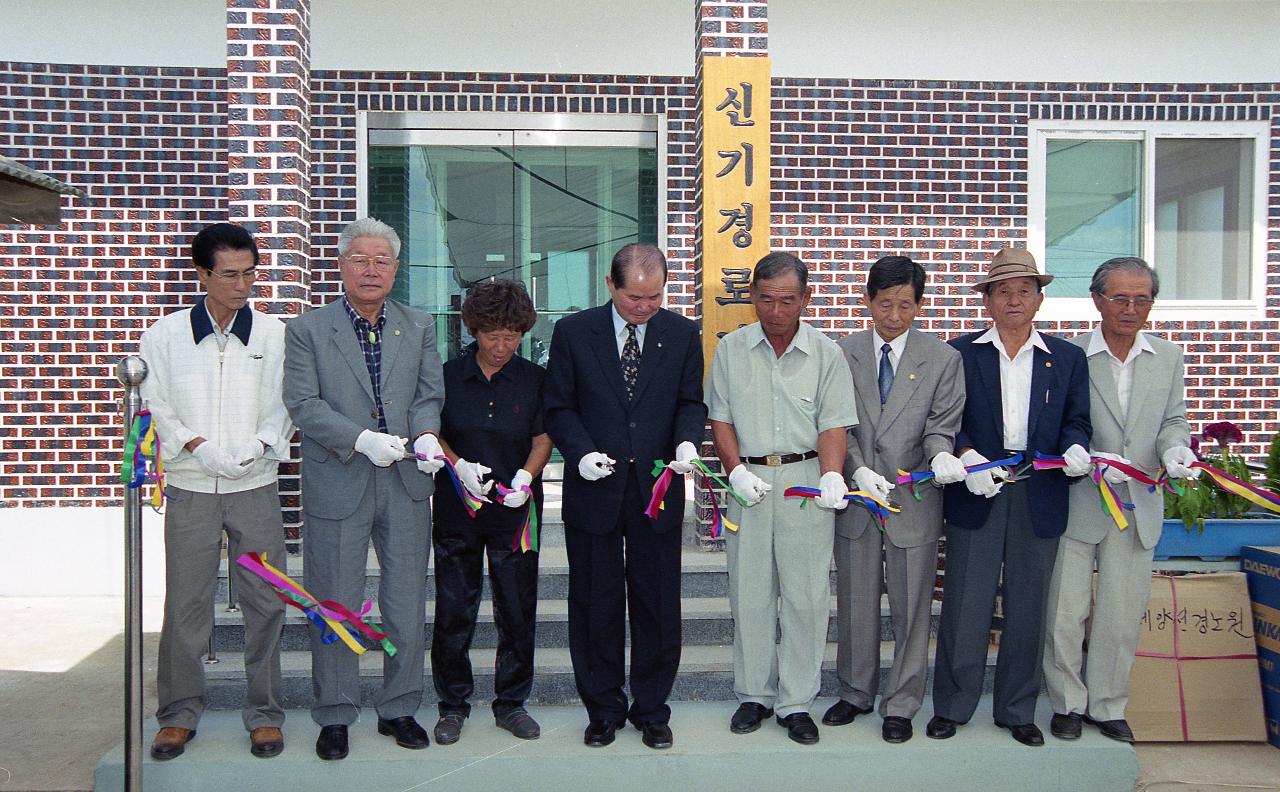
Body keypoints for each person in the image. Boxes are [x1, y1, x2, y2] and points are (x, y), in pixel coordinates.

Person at [282, 217, 446, 760]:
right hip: (339, 477)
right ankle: (335, 712)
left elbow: (428, 396)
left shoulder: (418, 325)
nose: (371, 270)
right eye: (360, 259)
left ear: (396, 269)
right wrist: (360, 439)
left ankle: (399, 706)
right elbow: (304, 405)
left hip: (404, 483)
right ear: (340, 265)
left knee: (404, 602)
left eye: (382, 261)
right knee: (335, 603)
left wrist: (425, 436)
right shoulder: (308, 329)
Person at [543, 243, 706, 750]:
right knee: (595, 600)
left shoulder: (681, 334)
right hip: (595, 487)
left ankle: (652, 708)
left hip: (655, 488)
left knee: (658, 600)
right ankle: (603, 708)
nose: (644, 307)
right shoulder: (574, 333)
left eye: (655, 297)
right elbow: (558, 408)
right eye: (635, 297)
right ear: (610, 286)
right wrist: (580, 452)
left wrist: (686, 439)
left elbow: (689, 401)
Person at [140, 223, 293, 760]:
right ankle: (178, 713)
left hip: (255, 485)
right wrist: (194, 444)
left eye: (250, 272)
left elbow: (286, 400)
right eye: (229, 274)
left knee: (266, 601)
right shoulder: (163, 336)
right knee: (186, 604)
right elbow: (155, 402)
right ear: (201, 273)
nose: (242, 284)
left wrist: (261, 442)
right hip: (190, 486)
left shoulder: (274, 335)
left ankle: (266, 714)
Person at [927, 247, 1092, 747]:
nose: (1014, 300)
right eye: (1004, 291)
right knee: (964, 602)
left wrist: (1076, 447)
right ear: (988, 300)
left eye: (1024, 290)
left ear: (1040, 299)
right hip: (978, 489)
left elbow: (1076, 420)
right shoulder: (958, 353)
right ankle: (952, 707)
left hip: (1039, 489)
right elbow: (943, 420)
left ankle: (1017, 709)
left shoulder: (1066, 357)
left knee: (1028, 604)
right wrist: (965, 454)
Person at [1043, 257, 1198, 743]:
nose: (1131, 309)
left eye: (1142, 299)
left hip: (1140, 501)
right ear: (1097, 300)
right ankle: (1066, 703)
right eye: (1120, 298)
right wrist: (1080, 454)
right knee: (1065, 612)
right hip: (1081, 498)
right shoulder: (1070, 356)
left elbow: (1173, 419)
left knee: (1120, 614)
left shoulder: (1169, 357)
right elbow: (1059, 423)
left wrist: (1177, 448)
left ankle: (1108, 705)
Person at [706, 251, 857, 746]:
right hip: (748, 484)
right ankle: (754, 694)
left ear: (805, 299)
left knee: (806, 598)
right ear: (752, 297)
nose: (775, 310)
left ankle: (796, 702)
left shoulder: (826, 353)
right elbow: (720, 418)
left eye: (787, 300)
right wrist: (734, 471)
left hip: (805, 484)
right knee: (749, 594)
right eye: (766, 299)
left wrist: (833, 475)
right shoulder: (731, 350)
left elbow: (834, 423)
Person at [825, 255, 966, 744]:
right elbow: (837, 422)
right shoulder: (841, 353)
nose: (894, 316)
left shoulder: (942, 358)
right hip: (859, 498)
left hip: (914, 496)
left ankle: (902, 702)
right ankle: (855, 691)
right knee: (856, 600)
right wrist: (856, 469)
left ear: (919, 305)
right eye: (885, 304)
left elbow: (940, 427)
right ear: (867, 300)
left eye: (906, 305)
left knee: (912, 605)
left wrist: (942, 456)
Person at [430, 279, 550, 746]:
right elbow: (431, 430)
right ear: (473, 331)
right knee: (454, 608)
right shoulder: (446, 376)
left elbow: (543, 437)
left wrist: (527, 477)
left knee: (517, 609)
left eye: (512, 336)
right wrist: (456, 466)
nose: (501, 346)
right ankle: (452, 704)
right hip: (458, 508)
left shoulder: (536, 379)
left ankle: (512, 703)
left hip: (515, 511)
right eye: (492, 335)